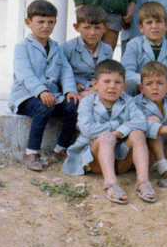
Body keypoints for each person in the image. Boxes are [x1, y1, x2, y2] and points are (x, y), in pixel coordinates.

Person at [62, 59, 152, 204]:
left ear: (124, 86)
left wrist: (117, 133)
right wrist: (116, 125)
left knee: (138, 133)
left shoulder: (128, 101)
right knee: (105, 137)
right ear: (95, 85)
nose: (112, 86)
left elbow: (141, 122)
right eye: (107, 81)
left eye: (117, 82)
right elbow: (88, 129)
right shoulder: (87, 102)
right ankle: (110, 184)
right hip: (94, 159)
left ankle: (143, 182)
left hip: (120, 159)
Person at [10, 0, 80, 171]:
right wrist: (41, 91)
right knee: (44, 107)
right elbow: (24, 73)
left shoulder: (56, 47)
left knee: (74, 105)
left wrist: (70, 90)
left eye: (50, 22)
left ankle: (60, 148)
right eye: (40, 22)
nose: (45, 26)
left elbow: (65, 71)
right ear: (28, 23)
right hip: (27, 96)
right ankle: (31, 152)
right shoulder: (22, 47)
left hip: (51, 96)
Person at [120, 1, 167, 94]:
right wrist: (147, 83)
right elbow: (126, 72)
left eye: (159, 22)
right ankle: (128, 108)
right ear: (141, 27)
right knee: (129, 85)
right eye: (149, 23)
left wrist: (163, 85)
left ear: (166, 26)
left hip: (164, 92)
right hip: (141, 90)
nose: (154, 26)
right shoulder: (133, 45)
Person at [62, 4, 112, 99]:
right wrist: (72, 87)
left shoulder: (107, 50)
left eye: (97, 28)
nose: (92, 33)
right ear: (76, 27)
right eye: (87, 28)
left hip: (98, 89)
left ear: (105, 28)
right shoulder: (68, 48)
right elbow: (62, 73)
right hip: (76, 90)